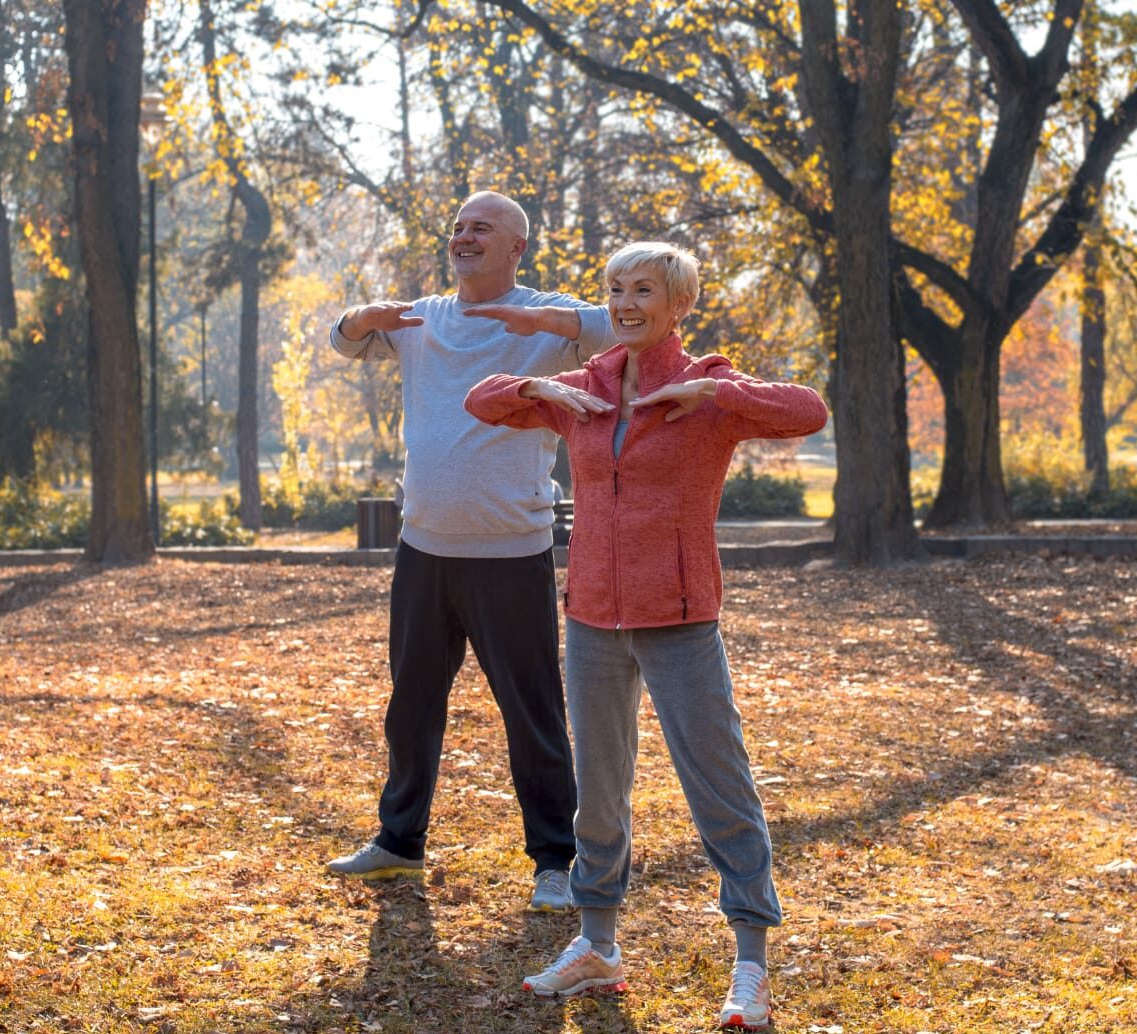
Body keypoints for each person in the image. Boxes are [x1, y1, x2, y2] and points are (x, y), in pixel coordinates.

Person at [464, 241, 828, 1029]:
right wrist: (532, 383)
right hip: (591, 617)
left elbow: (807, 411)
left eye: (643, 290)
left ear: (677, 305)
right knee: (597, 795)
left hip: (681, 619)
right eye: (615, 289)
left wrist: (717, 394)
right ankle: (596, 947)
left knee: (719, 789)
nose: (625, 302)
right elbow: (483, 401)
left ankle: (750, 966)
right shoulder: (583, 388)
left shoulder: (710, 391)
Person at [325, 190, 613, 912]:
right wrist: (362, 317)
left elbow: (626, 328)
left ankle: (555, 860)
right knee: (410, 704)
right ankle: (398, 841)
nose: (463, 235)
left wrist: (540, 320)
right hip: (423, 548)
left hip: (510, 554)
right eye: (457, 226)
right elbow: (342, 340)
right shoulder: (422, 318)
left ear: (516, 247)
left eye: (480, 227)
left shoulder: (552, 318)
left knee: (532, 713)